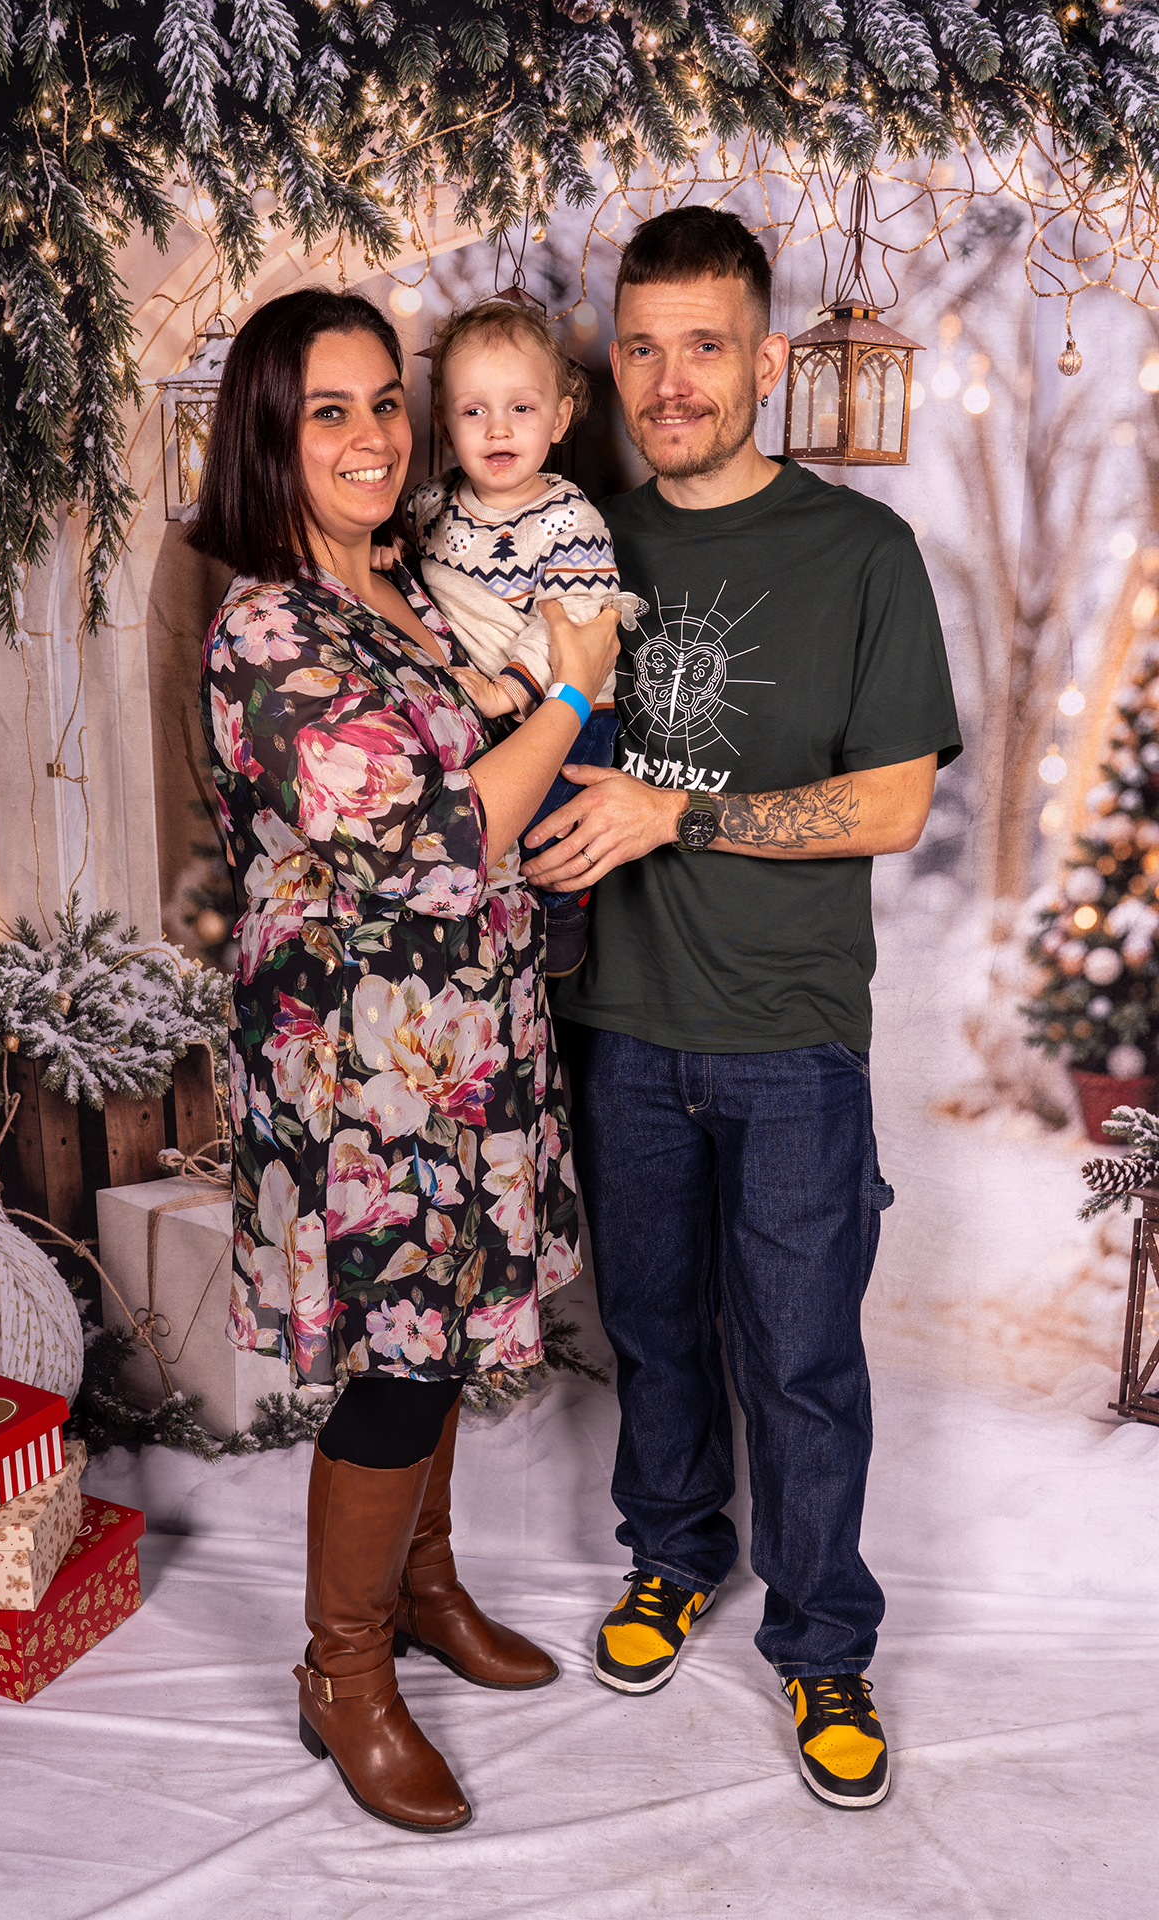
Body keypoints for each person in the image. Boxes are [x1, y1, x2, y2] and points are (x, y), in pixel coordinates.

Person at [524, 206, 962, 1811]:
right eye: (641, 348)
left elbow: (893, 803)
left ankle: (826, 1641)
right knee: (651, 1333)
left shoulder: (861, 554)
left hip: (791, 1038)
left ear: (767, 361)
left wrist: (677, 813)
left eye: (704, 346)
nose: (669, 382)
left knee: (800, 1360)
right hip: (620, 1024)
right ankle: (673, 1557)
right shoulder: (576, 544)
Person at [190, 287, 618, 1834]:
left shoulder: (405, 591)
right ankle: (345, 1671)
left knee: (429, 1339)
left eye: (387, 400)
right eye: (331, 411)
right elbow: (437, 838)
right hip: (361, 1080)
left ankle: (425, 1588)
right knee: (400, 1358)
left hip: (466, 1048)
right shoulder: (267, 629)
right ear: (271, 436)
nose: (374, 434)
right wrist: (573, 691)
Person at [407, 297, 643, 976]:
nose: (498, 428)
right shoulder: (431, 504)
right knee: (491, 825)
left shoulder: (567, 518)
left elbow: (572, 623)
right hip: (489, 700)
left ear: (559, 418)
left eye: (521, 408)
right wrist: (382, 550)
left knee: (550, 830)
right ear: (445, 421)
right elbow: (405, 553)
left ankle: (566, 912)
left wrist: (509, 692)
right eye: (473, 411)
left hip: (571, 704)